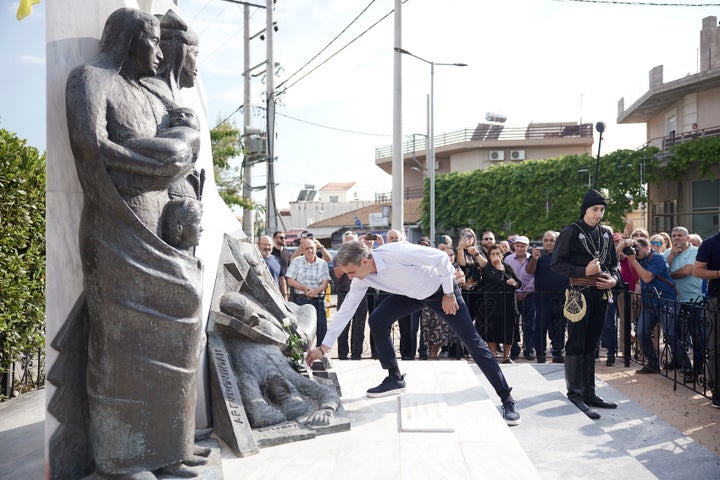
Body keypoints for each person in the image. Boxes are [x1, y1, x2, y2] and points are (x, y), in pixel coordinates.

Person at [64, 8, 204, 477]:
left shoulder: (152, 93)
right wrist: (160, 160)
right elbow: (92, 149)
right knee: (119, 346)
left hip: (159, 228)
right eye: (152, 41)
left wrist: (163, 158)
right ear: (128, 39)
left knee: (180, 333)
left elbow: (183, 151)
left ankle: (167, 448)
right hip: (115, 226)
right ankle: (121, 459)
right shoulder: (90, 79)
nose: (161, 52)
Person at [305, 240, 521, 425]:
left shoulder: (396, 252)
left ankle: (507, 399)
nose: (351, 278)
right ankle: (394, 377)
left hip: (439, 291)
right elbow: (346, 310)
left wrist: (448, 292)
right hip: (411, 295)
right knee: (378, 320)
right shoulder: (363, 277)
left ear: (363, 261)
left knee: (473, 342)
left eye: (351, 272)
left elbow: (441, 258)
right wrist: (324, 348)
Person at [551, 189, 621, 419]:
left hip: (600, 294)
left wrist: (613, 279)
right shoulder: (570, 232)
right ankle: (575, 394)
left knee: (592, 343)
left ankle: (590, 393)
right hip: (577, 293)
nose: (598, 214)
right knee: (577, 342)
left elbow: (614, 264)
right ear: (585, 210)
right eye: (594, 210)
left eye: (602, 210)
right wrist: (584, 270)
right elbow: (557, 264)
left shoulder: (607, 235)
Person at [625, 237, 690, 377]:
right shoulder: (639, 259)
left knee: (670, 335)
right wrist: (627, 243)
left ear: (648, 247)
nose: (636, 252)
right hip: (649, 303)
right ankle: (653, 364)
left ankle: (687, 367)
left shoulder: (657, 258)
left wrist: (633, 260)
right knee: (641, 333)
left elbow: (647, 277)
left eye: (638, 249)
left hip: (666, 302)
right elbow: (619, 252)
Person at [665, 226, 705, 383]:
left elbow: (687, 271)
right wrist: (672, 255)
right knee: (671, 334)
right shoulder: (668, 253)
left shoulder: (696, 251)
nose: (676, 238)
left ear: (687, 238)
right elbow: (660, 271)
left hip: (693, 301)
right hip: (673, 301)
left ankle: (698, 368)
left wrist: (668, 275)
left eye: (679, 235)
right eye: (673, 235)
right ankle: (685, 366)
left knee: (697, 337)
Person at [527, 230, 568, 364]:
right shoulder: (537, 255)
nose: (549, 243)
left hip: (562, 297)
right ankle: (541, 355)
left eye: (552, 240)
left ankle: (557, 353)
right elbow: (529, 271)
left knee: (560, 327)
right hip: (542, 298)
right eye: (546, 240)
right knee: (540, 327)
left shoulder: (564, 255)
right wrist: (534, 259)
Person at [478, 244, 521, 363]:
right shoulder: (487, 268)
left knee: (508, 331)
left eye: (498, 254)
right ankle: (493, 356)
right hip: (492, 307)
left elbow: (519, 282)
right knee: (491, 331)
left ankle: (506, 357)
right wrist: (499, 268)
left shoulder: (507, 267)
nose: (496, 256)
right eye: (493, 254)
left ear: (502, 255)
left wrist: (514, 284)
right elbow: (497, 278)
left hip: (508, 306)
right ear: (489, 256)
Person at [286, 238, 331, 347]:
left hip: (318, 300)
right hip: (301, 299)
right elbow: (290, 280)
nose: (310, 250)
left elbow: (325, 282)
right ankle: (302, 353)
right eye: (307, 248)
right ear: (302, 250)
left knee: (322, 329)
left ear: (316, 248)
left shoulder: (322, 263)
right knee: (300, 329)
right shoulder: (296, 261)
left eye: (312, 248)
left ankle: (321, 354)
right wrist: (305, 289)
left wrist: (315, 291)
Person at [693, 228, 720, 408]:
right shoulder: (710, 243)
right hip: (717, 301)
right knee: (716, 348)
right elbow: (697, 271)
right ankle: (717, 390)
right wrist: (718, 274)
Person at [334, 231, 367, 360]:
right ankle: (342, 354)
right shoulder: (338, 257)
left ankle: (356, 353)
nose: (350, 244)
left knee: (359, 326)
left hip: (361, 293)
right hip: (344, 293)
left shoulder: (362, 257)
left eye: (353, 241)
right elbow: (337, 274)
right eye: (348, 241)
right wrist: (347, 263)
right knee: (343, 325)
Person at [505, 235, 537, 361]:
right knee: (513, 324)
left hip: (529, 295)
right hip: (512, 295)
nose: (519, 248)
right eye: (517, 246)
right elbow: (506, 276)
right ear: (514, 246)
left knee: (529, 324)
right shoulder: (507, 259)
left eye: (522, 246)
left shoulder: (533, 259)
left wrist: (526, 290)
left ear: (527, 247)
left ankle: (529, 349)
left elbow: (535, 276)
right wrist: (516, 291)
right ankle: (514, 349)